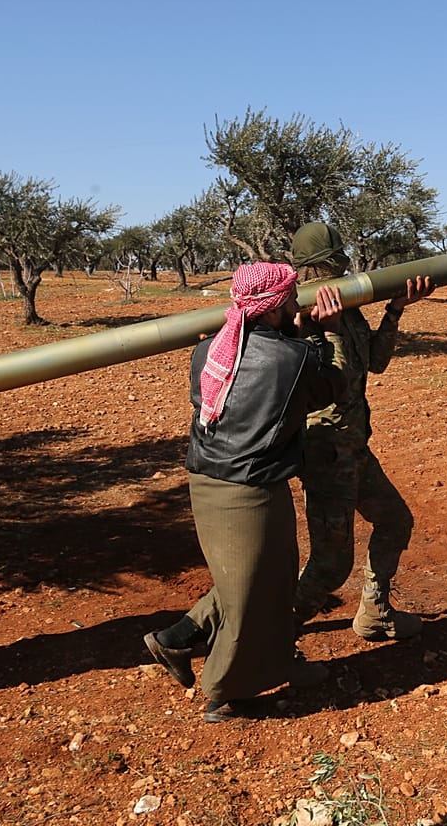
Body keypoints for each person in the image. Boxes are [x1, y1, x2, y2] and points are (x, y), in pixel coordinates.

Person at [144, 262, 345, 723]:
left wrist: (298, 338)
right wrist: (328, 335)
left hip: (209, 480)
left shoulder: (208, 349)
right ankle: (226, 692)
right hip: (248, 490)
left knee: (268, 577)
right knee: (251, 593)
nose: (298, 303)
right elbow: (331, 387)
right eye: (291, 298)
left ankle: (180, 639)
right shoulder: (292, 358)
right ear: (273, 308)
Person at [290, 222, 434, 641]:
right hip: (324, 452)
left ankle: (375, 613)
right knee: (331, 566)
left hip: (354, 448)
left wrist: (395, 309)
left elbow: (376, 362)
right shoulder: (299, 318)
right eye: (328, 262)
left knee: (395, 521)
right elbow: (330, 381)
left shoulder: (344, 307)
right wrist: (327, 330)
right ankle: (269, 636)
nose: (336, 268)